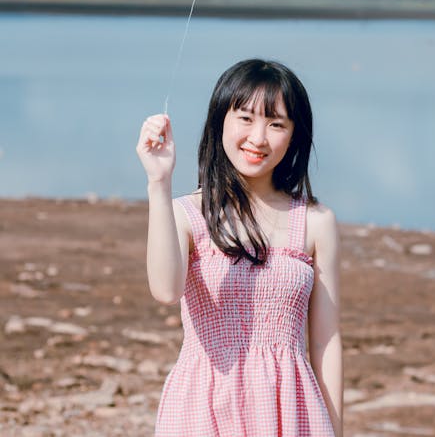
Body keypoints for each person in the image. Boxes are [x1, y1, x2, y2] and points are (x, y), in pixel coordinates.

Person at [137, 58, 343, 437]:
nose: (259, 138)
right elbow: (165, 291)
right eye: (245, 118)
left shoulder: (316, 221)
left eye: (276, 123)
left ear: (295, 134)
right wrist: (158, 183)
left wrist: (335, 428)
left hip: (290, 406)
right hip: (203, 402)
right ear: (220, 122)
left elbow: (324, 341)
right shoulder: (186, 214)